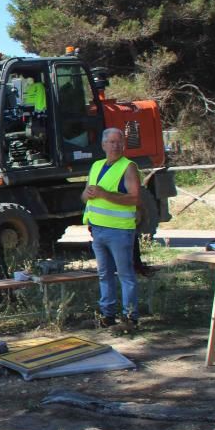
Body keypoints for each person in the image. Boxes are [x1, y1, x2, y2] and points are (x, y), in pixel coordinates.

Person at [82, 128, 141, 329]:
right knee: (104, 274)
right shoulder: (96, 166)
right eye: (112, 142)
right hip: (97, 230)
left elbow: (134, 198)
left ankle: (130, 317)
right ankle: (107, 316)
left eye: (119, 142)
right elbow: (84, 195)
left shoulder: (129, 167)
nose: (116, 146)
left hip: (119, 230)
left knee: (125, 275)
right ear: (103, 145)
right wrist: (88, 193)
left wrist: (104, 194)